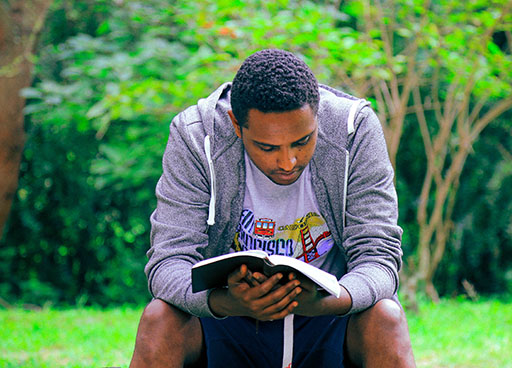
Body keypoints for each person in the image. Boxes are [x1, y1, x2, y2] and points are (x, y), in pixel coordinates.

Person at [130, 49, 415, 368]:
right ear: (236, 125)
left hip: (330, 315)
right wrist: (227, 302)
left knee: (386, 316)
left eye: (303, 141)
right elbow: (168, 262)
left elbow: (379, 257)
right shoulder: (196, 135)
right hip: (227, 318)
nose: (288, 161)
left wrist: (324, 302)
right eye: (267, 147)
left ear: (318, 115)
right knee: (160, 318)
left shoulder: (353, 129)